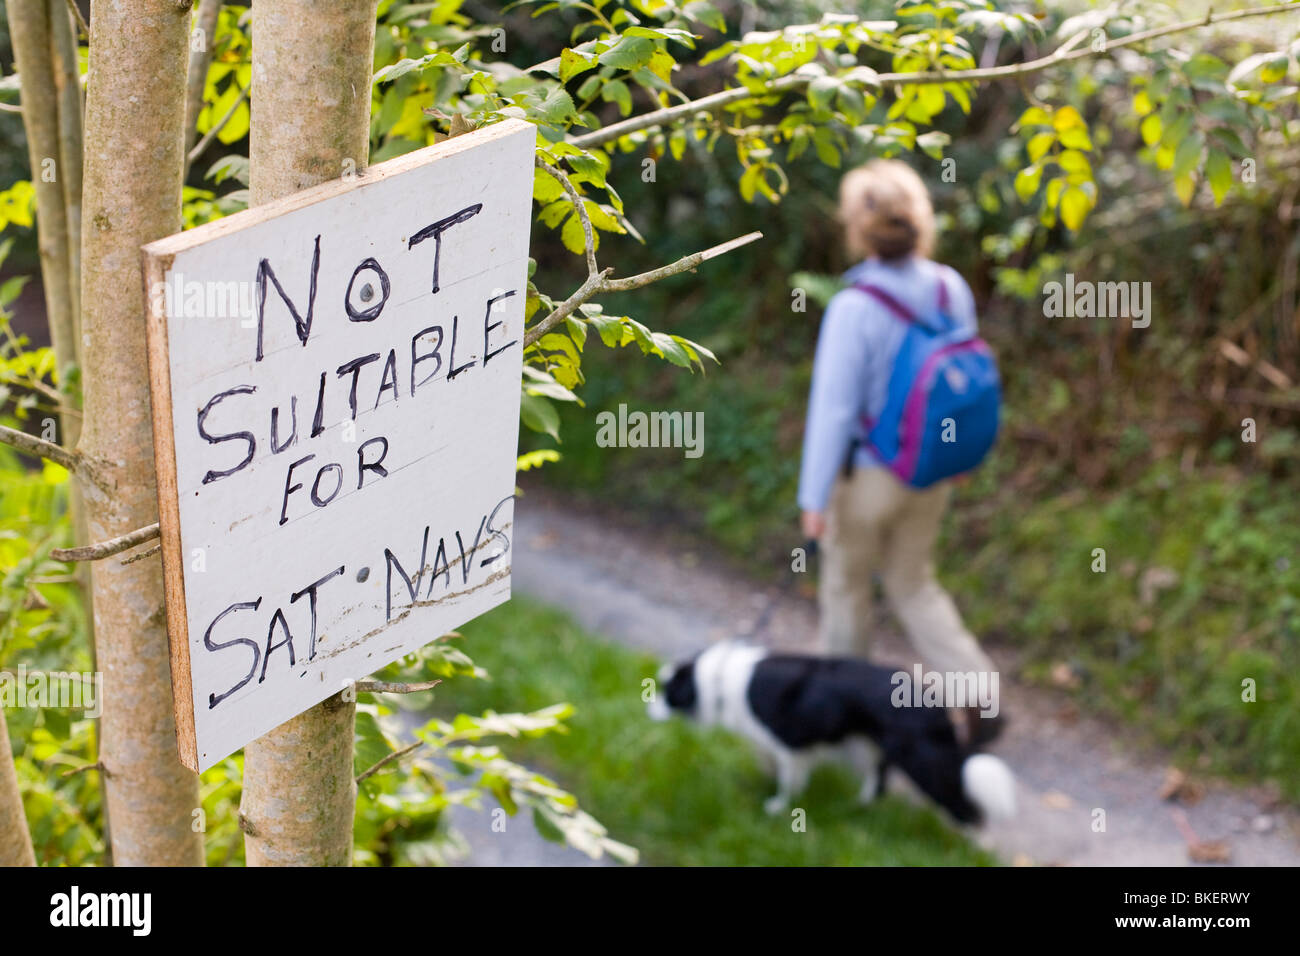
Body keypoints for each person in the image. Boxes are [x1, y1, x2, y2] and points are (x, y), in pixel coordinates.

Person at [797, 159, 1000, 742]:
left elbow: (834, 411)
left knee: (846, 588)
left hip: (867, 477)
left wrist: (814, 498)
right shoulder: (948, 286)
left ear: (856, 229)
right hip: (930, 470)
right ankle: (977, 690)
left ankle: (846, 712)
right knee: (913, 582)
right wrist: (956, 455)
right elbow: (960, 383)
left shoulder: (853, 307)